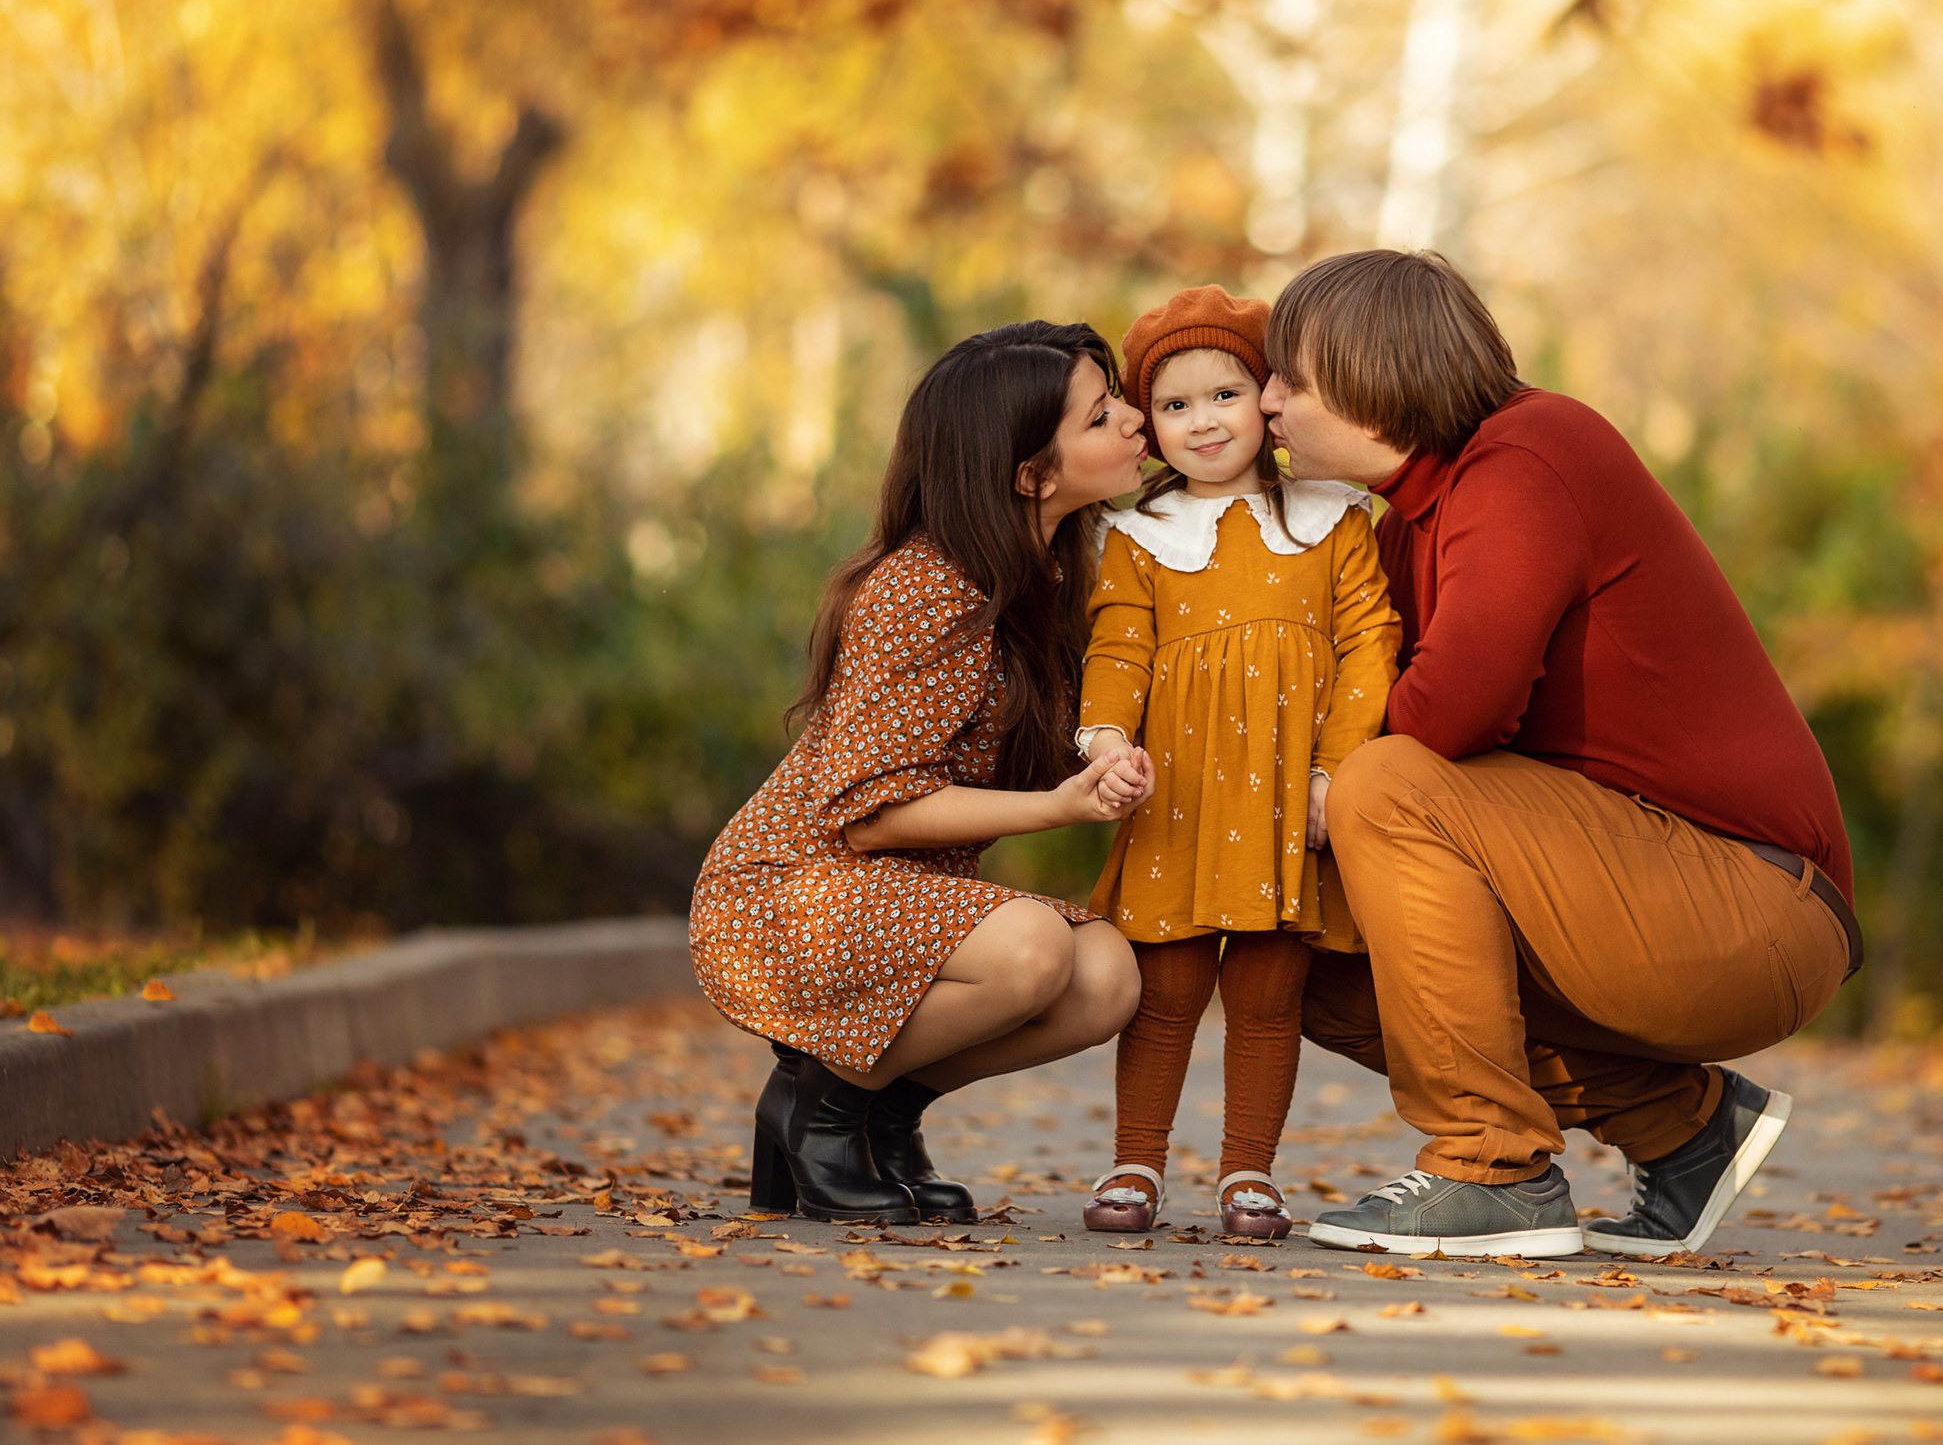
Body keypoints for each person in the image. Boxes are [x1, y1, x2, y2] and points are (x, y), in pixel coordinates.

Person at [1260, 251, 1862, 1259]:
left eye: (1289, 378)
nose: (1268, 403)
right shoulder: (1406, 524)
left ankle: (1491, 1169)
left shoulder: (1528, 455)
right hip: (1628, 891)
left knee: (1385, 786)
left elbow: (1453, 712)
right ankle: (1685, 1131)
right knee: (1305, 957)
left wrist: (1331, 776)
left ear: (1371, 376)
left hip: (1753, 905)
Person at [689, 320, 1155, 1226]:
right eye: (1102, 415)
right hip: (790, 893)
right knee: (1033, 949)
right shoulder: (922, 587)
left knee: (1106, 978)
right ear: (1031, 474)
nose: (1135, 420)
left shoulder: (1050, 577)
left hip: (893, 898)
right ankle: (816, 1109)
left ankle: (881, 1115)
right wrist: (1058, 807)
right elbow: (872, 817)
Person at [1074, 287, 1401, 1240]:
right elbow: (1118, 650)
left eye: (1225, 393)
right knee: (1165, 988)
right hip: (1176, 792)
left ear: (1266, 397)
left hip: (1288, 797)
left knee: (1267, 993)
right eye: (1174, 404)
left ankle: (1248, 1169)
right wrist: (1105, 742)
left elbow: (1370, 645)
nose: (1203, 420)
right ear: (1150, 422)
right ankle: (1136, 1158)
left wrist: (1335, 772)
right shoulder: (1137, 536)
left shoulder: (1333, 519)